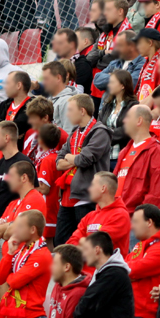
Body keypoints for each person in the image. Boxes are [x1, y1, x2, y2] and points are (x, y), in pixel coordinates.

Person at [55, 94, 111, 244]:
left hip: (86, 196)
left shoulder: (100, 131)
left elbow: (84, 159)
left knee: (85, 243)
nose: (67, 114)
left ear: (82, 111)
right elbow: (58, 162)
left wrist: (73, 158)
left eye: (70, 110)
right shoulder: (74, 132)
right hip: (68, 195)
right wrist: (75, 159)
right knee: (61, 242)